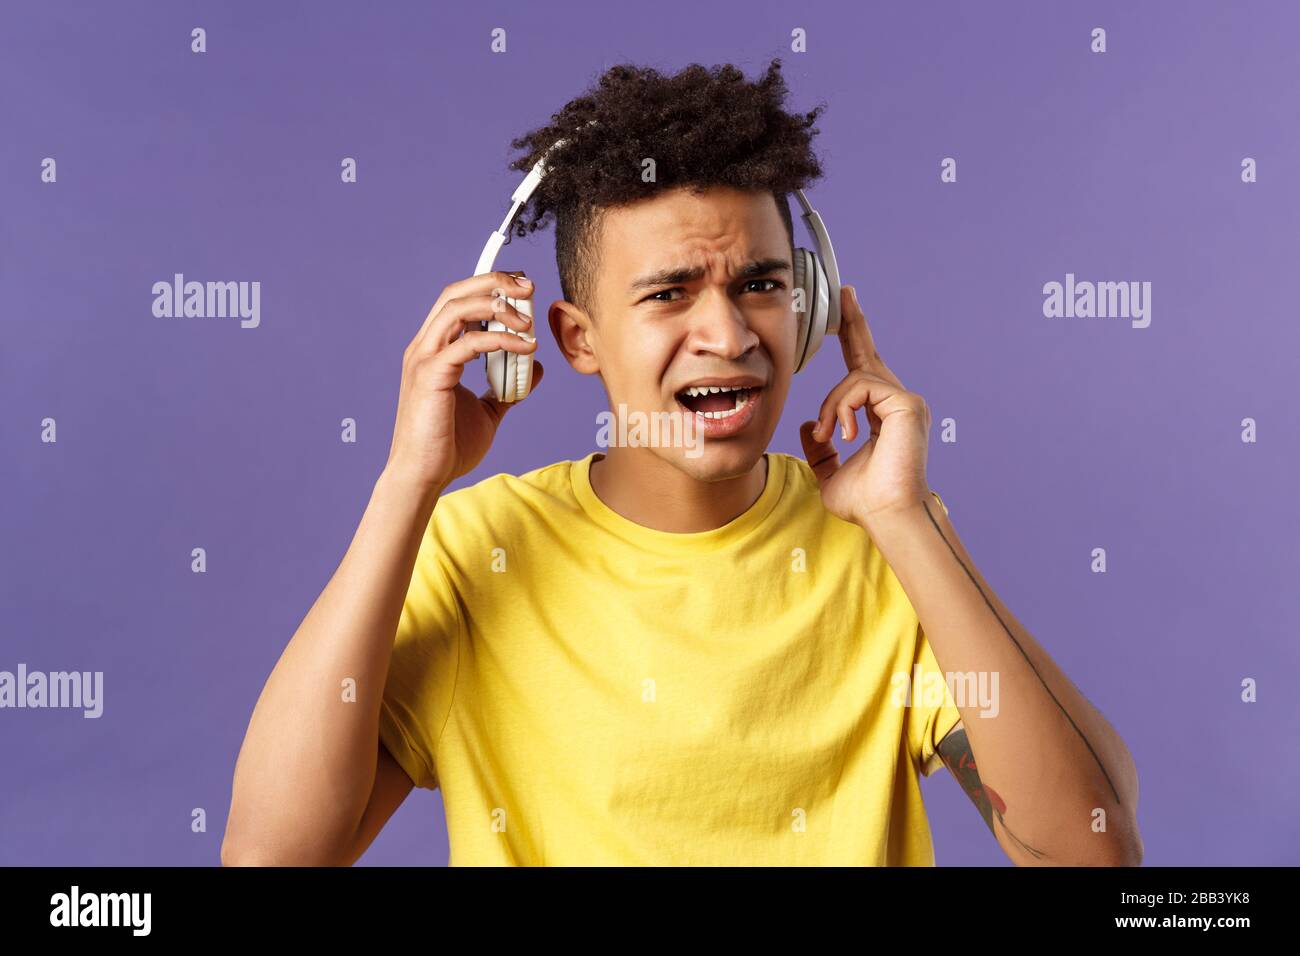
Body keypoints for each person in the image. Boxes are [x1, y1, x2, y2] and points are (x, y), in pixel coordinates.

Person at [221, 59, 1142, 866]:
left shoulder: (886, 548)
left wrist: (908, 520)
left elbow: (1093, 853)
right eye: (670, 293)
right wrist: (407, 486)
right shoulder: (479, 552)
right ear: (577, 339)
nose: (729, 333)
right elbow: (273, 855)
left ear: (812, 309)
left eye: (762, 285)